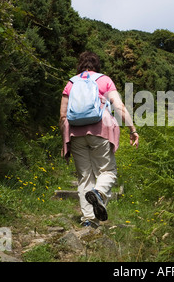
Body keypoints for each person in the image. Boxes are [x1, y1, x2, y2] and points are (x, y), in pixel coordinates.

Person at [60, 51, 139, 228]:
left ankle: (89, 219)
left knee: (84, 176)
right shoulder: (104, 80)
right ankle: (99, 193)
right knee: (107, 171)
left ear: (80, 65)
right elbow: (119, 106)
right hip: (100, 130)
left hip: (75, 134)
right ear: (97, 65)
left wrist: (64, 140)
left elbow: (63, 116)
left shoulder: (71, 83)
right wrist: (132, 129)